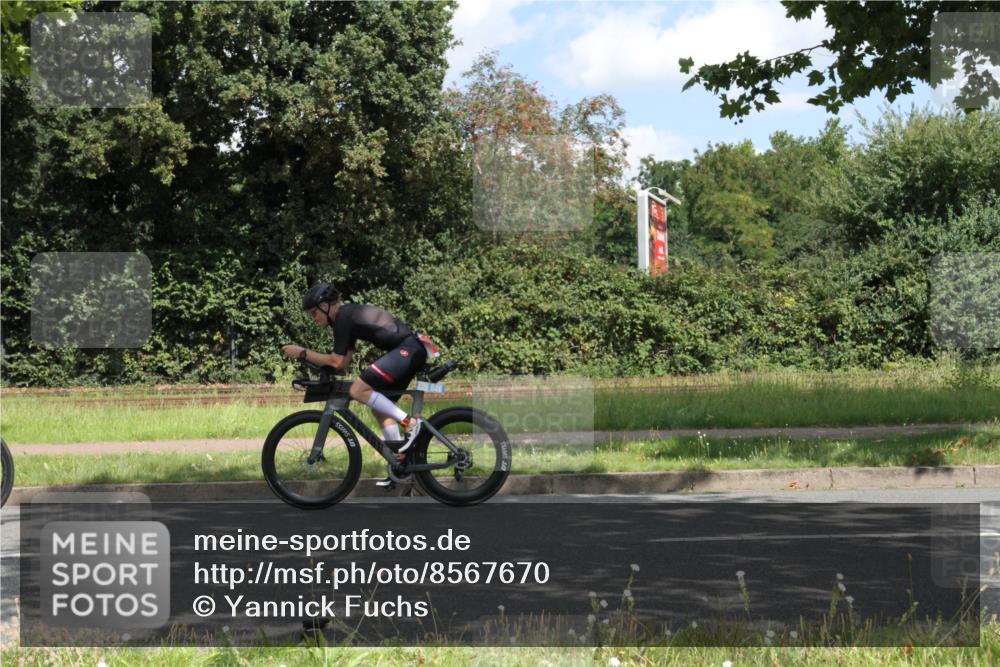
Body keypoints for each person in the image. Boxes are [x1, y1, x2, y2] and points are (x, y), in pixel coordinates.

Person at [282, 283, 427, 487]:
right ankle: (398, 462)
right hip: (409, 350)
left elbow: (336, 361)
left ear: (326, 306)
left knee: (358, 390)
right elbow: (342, 363)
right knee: (379, 406)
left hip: (407, 349)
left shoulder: (343, 317)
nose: (313, 318)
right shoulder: (345, 318)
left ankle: (410, 423)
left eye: (314, 313)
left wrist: (303, 353)